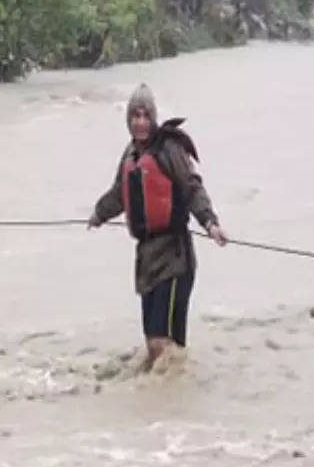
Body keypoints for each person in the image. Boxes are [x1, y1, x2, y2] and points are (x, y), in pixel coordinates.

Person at [87, 84, 229, 368]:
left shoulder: (169, 149)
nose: (140, 122)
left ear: (153, 118)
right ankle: (170, 402)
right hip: (147, 259)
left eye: (145, 116)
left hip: (175, 257)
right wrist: (98, 215)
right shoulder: (130, 154)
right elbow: (120, 193)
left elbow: (192, 188)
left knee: (160, 344)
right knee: (159, 346)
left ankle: (169, 403)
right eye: (134, 116)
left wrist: (210, 223)